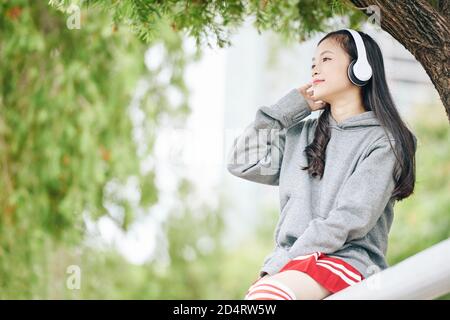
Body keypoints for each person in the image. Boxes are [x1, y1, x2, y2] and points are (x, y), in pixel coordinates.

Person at [227, 29, 417, 300]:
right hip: (291, 269)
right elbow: (242, 161)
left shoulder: (385, 140)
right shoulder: (300, 135)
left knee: (267, 297)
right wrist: (284, 112)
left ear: (359, 69)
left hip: (348, 263)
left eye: (326, 59)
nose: (315, 67)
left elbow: (350, 218)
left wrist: (282, 265)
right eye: (313, 62)